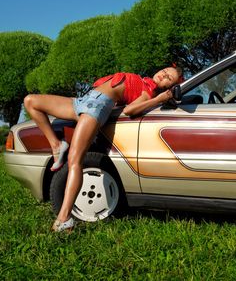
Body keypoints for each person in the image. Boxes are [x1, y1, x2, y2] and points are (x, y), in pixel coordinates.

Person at [24, 66, 182, 232]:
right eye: (165, 71)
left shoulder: (149, 92)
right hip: (83, 101)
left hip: (96, 106)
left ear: (167, 87)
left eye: (168, 78)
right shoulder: (143, 81)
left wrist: (160, 99)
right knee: (30, 101)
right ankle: (56, 145)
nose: (163, 75)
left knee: (75, 160)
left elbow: (130, 110)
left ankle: (64, 218)